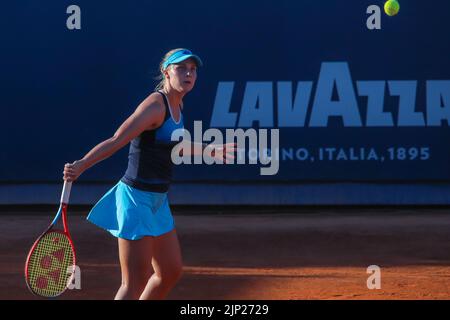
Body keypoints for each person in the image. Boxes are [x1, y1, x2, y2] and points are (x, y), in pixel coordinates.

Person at [63, 48, 235, 300]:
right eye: (181, 68)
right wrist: (82, 164)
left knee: (169, 271)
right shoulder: (155, 105)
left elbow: (175, 145)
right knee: (133, 283)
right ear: (166, 72)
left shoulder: (178, 104)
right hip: (135, 200)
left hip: (157, 201)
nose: (189, 73)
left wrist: (210, 150)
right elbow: (118, 139)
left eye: (193, 69)